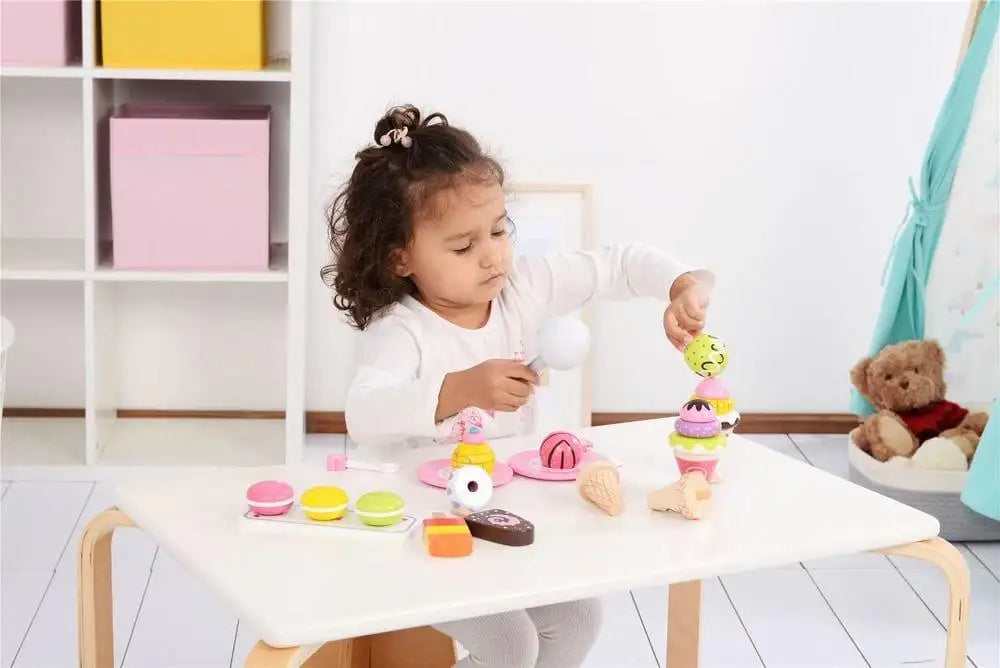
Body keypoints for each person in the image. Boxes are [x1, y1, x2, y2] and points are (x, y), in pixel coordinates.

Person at [322, 104, 713, 668]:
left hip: (500, 515)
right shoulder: (400, 331)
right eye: (463, 246)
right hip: (415, 526)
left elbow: (620, 265)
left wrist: (679, 284)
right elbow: (364, 414)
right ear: (400, 257)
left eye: (499, 231)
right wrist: (461, 388)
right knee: (509, 642)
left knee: (579, 617)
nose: (492, 256)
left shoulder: (523, 289)